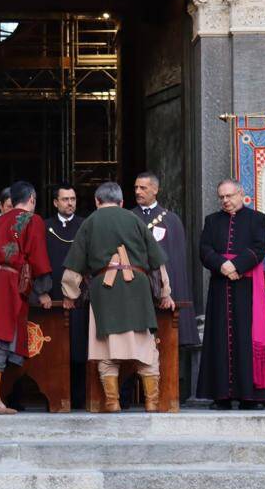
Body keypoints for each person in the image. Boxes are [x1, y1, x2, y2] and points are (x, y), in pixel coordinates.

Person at [61, 181, 174, 412]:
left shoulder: (90, 222)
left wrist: (70, 294)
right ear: (122, 202)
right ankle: (152, 402)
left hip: (105, 291)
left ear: (96, 201)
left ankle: (112, 402)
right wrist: (165, 293)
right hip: (137, 290)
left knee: (106, 349)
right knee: (145, 347)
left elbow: (74, 268)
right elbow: (157, 262)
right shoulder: (135, 220)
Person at [0, 181, 53, 414]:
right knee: (0, 339)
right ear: (32, 199)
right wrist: (43, 288)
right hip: (9, 286)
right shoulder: (32, 221)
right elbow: (37, 254)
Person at [195, 179, 265, 410]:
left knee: (245, 337)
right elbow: (204, 249)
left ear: (241, 194)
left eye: (229, 196)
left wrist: (237, 265)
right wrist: (222, 266)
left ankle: (250, 396)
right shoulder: (211, 220)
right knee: (219, 338)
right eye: (222, 197)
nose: (225, 201)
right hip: (220, 286)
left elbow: (259, 247)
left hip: (246, 287)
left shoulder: (257, 219)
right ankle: (222, 396)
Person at [132, 173, 199, 348]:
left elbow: (176, 264)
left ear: (155, 190)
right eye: (136, 188)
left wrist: (168, 292)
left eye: (143, 188)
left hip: (165, 295)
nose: (138, 191)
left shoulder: (171, 220)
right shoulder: (128, 217)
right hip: (135, 293)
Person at [44, 182, 89, 409]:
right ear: (55, 202)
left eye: (72, 199)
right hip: (53, 298)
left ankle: (79, 398)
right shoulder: (45, 227)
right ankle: (53, 398)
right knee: (54, 351)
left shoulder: (85, 225)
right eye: (65, 199)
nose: (69, 203)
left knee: (78, 349)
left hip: (79, 299)